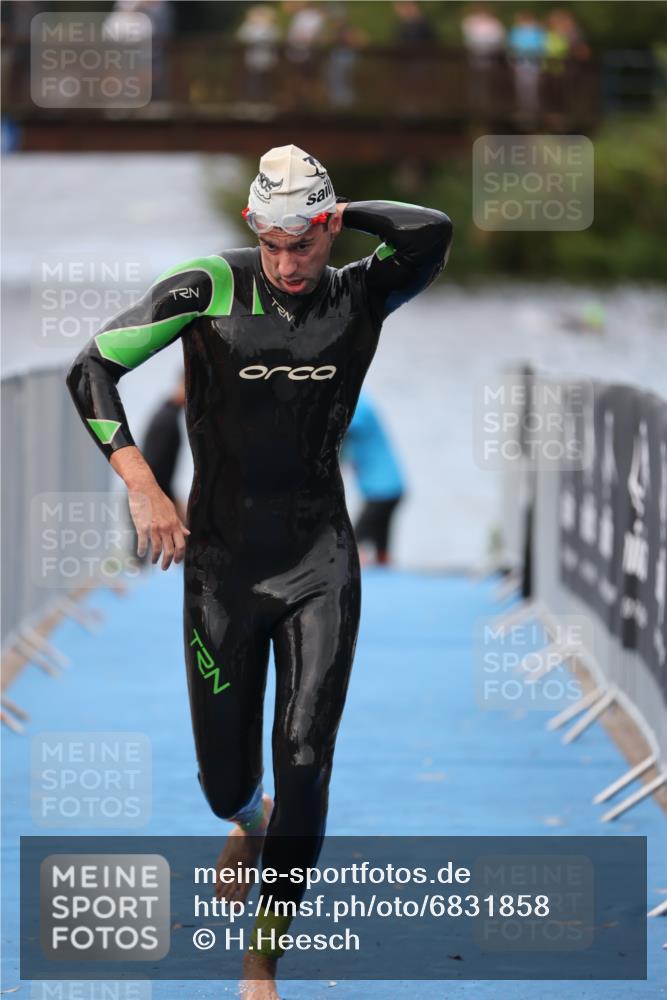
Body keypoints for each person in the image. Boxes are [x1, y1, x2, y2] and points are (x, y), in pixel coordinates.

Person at [66, 144, 452, 999]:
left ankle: (261, 959)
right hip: (220, 569)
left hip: (319, 561)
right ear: (250, 230)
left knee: (307, 760)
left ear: (327, 227)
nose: (286, 264)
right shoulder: (206, 286)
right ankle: (248, 821)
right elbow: (90, 369)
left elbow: (433, 231)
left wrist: (338, 217)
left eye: (303, 244)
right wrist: (144, 488)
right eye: (271, 244)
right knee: (225, 784)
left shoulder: (363, 290)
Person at [342, 393, 406, 565]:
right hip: (389, 488)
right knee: (381, 548)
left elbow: (339, 430)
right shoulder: (356, 400)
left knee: (350, 546)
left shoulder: (358, 403)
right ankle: (386, 570)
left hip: (382, 491)